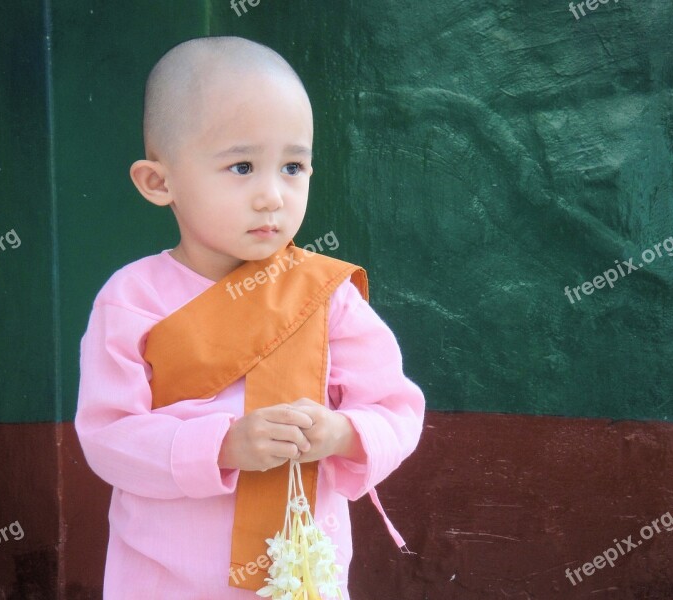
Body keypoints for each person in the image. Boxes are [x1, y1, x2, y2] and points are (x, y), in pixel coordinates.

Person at [75, 35, 425, 600]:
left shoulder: (326, 293)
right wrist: (223, 446)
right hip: (165, 581)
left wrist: (341, 432)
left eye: (293, 166)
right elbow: (109, 439)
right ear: (158, 182)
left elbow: (396, 410)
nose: (272, 196)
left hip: (299, 574)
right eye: (242, 167)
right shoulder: (131, 298)